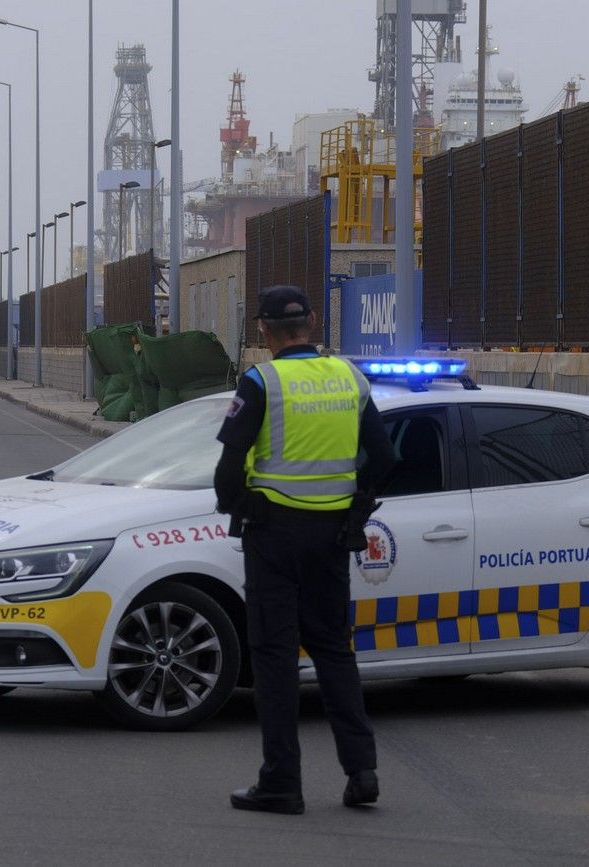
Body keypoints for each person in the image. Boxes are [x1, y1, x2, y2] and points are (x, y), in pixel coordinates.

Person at [214, 284, 396, 815]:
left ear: (264, 331)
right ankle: (362, 772)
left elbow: (228, 469)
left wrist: (238, 505)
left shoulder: (261, 381)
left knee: (274, 655)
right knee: (334, 650)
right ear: (312, 323)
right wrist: (354, 509)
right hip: (333, 536)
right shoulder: (349, 378)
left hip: (273, 534)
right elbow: (384, 459)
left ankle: (281, 784)